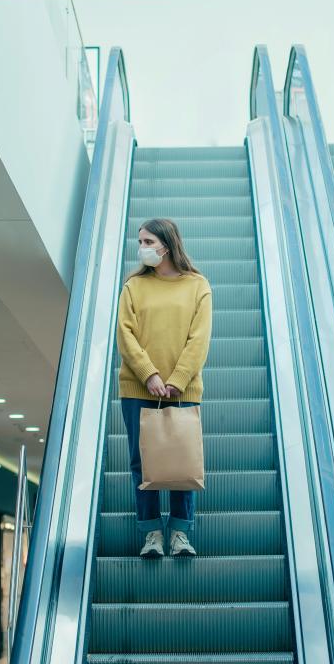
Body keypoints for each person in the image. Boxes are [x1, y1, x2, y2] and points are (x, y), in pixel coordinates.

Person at [116, 217, 212, 558]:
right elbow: (125, 336)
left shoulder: (197, 285)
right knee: (142, 463)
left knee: (182, 460)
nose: (141, 248)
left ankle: (181, 535)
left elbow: (199, 340)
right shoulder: (133, 286)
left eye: (147, 242)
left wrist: (176, 380)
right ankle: (151, 534)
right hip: (138, 388)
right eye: (140, 241)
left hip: (182, 390)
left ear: (166, 246)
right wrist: (150, 375)